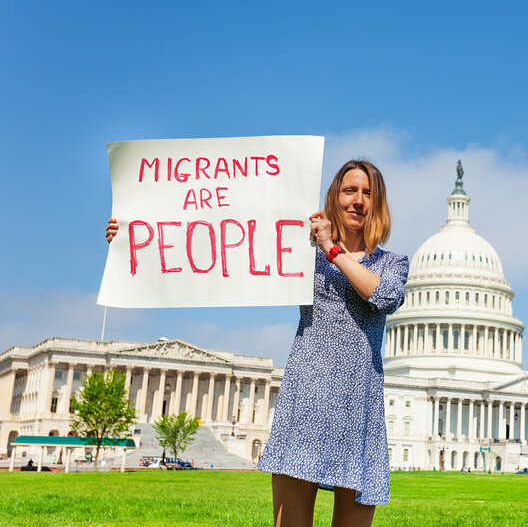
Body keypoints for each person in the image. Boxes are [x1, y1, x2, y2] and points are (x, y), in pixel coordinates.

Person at [106, 159, 407, 527]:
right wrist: (133, 238)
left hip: (359, 403)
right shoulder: (302, 252)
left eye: (367, 193)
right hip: (307, 398)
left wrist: (331, 249)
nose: (358, 200)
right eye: (350, 191)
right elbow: (224, 252)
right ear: (334, 197)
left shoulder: (391, 263)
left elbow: (384, 296)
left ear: (378, 204)